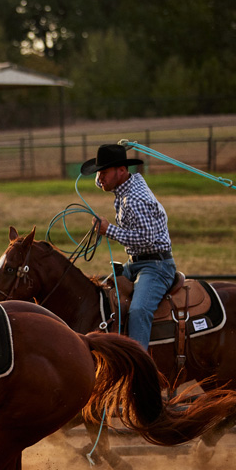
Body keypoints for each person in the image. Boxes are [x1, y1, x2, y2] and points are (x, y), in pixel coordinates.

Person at [80, 143, 177, 350]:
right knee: (101, 296)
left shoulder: (135, 199)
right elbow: (104, 182)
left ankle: (138, 361)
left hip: (156, 266)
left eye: (103, 172)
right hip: (137, 263)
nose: (99, 179)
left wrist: (109, 230)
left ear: (122, 170)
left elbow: (146, 240)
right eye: (98, 173)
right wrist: (106, 164)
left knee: (139, 310)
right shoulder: (125, 182)